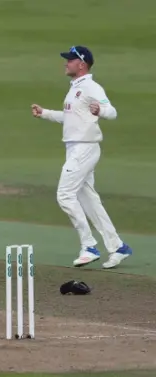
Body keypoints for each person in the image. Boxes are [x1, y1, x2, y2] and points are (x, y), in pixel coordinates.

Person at [31, 45, 132, 269]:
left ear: (82, 64)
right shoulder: (75, 88)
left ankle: (89, 246)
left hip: (84, 149)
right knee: (89, 200)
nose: (66, 63)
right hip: (76, 148)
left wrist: (101, 111)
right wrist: (45, 113)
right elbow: (69, 118)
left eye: (70, 60)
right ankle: (118, 247)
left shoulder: (90, 87)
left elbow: (111, 111)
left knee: (65, 195)